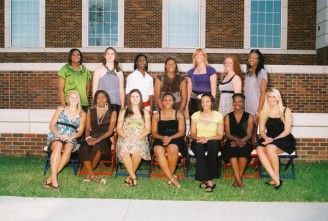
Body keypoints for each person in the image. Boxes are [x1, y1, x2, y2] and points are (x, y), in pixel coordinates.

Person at [43, 90, 86, 191]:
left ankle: (51, 178)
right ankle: (54, 180)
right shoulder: (61, 109)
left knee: (68, 148)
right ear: (68, 98)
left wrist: (70, 137)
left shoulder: (82, 114)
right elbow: (52, 125)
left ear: (79, 99)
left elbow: (80, 132)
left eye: (76, 98)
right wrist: (58, 134)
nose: (74, 100)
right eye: (72, 97)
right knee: (58, 145)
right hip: (56, 134)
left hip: (70, 137)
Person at [256, 88, 296, 190]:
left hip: (284, 138)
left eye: (274, 96)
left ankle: (275, 179)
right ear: (267, 98)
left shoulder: (286, 110)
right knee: (259, 149)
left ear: (278, 98)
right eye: (269, 96)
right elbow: (261, 131)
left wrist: (272, 140)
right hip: (269, 137)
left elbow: (287, 131)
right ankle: (276, 179)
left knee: (270, 148)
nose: (271, 99)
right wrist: (266, 138)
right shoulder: (264, 111)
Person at [79, 90, 117, 184]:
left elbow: (110, 131)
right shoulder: (90, 111)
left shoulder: (112, 112)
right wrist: (88, 138)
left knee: (98, 147)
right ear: (95, 100)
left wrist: (98, 139)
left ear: (107, 99)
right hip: (92, 137)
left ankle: (88, 175)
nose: (100, 100)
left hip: (105, 138)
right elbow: (87, 129)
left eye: (103, 97)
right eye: (98, 98)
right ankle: (92, 176)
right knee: (83, 147)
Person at [116, 89, 151, 187]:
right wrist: (126, 136)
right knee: (124, 151)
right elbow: (118, 128)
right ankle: (133, 177)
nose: (135, 99)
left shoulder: (145, 112)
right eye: (133, 97)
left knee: (137, 151)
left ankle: (129, 177)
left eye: (137, 97)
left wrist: (138, 137)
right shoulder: (124, 112)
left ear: (140, 99)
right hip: (125, 136)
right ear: (129, 99)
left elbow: (148, 129)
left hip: (140, 136)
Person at [190, 94, 224, 192]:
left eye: (207, 101)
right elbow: (192, 134)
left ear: (212, 102)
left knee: (213, 145)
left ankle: (205, 180)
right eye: (203, 101)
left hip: (212, 140)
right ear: (200, 103)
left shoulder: (218, 115)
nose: (205, 104)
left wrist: (207, 138)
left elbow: (220, 135)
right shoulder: (195, 115)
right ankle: (209, 181)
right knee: (199, 147)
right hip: (198, 140)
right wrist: (199, 138)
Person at [152, 93, 186, 188]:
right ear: (162, 102)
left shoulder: (178, 114)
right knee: (158, 150)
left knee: (172, 148)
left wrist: (170, 138)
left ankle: (169, 176)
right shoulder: (156, 115)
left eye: (170, 100)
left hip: (175, 138)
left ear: (173, 102)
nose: (167, 102)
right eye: (165, 100)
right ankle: (171, 178)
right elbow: (154, 132)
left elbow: (181, 132)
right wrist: (162, 138)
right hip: (160, 138)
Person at [221, 93, 254, 188]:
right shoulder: (227, 116)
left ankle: (237, 180)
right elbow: (227, 134)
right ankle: (239, 180)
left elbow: (249, 134)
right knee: (232, 152)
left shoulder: (249, 116)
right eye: (235, 101)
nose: (237, 104)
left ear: (243, 103)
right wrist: (237, 141)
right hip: (231, 140)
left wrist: (241, 141)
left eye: (239, 101)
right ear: (232, 103)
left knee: (243, 152)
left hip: (246, 141)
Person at [185, 48, 217, 119]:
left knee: (205, 123)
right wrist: (187, 106)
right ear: (194, 57)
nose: (198, 56)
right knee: (193, 123)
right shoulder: (190, 72)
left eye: (201, 55)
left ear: (204, 57)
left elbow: (213, 90)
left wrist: (211, 104)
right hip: (193, 102)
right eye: (196, 55)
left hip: (206, 102)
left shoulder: (211, 70)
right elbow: (189, 91)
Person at [58, 48, 92, 113]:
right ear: (70, 57)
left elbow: (88, 88)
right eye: (73, 55)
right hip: (69, 104)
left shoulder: (85, 70)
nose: (76, 56)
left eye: (78, 54)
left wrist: (83, 100)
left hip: (83, 105)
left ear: (80, 57)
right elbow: (60, 89)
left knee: (82, 123)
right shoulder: (65, 69)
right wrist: (64, 106)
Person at [92, 47, 125, 113]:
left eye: (112, 54)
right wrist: (95, 104)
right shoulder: (98, 70)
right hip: (103, 104)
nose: (110, 55)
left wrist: (123, 106)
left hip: (116, 103)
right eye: (108, 54)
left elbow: (121, 90)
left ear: (115, 56)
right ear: (105, 55)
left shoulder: (119, 72)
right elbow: (94, 89)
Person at [244, 49, 268, 123]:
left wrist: (258, 111)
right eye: (250, 57)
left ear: (258, 60)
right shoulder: (248, 73)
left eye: (254, 58)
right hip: (247, 107)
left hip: (256, 107)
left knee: (256, 132)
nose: (251, 59)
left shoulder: (262, 72)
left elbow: (263, 93)